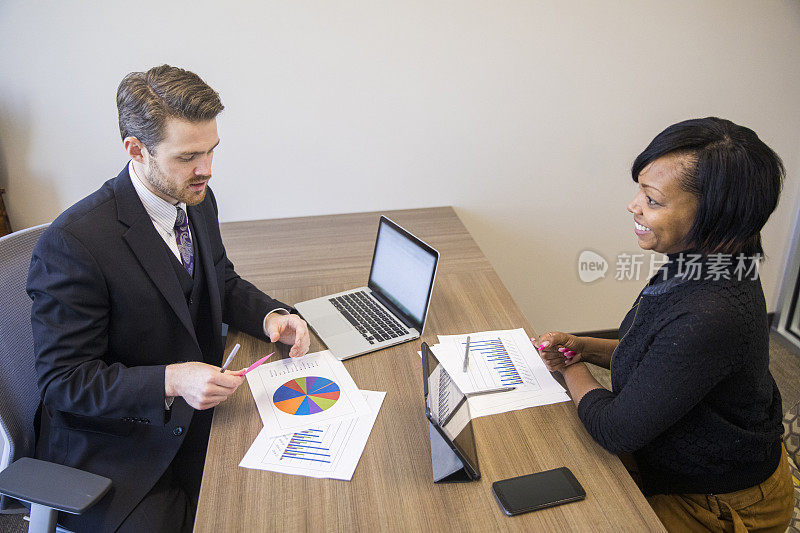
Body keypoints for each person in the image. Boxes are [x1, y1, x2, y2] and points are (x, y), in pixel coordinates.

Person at [27, 64, 311, 532]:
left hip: (199, 418)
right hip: (121, 450)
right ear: (135, 151)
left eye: (212, 151)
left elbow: (218, 278)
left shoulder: (194, 196)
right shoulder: (74, 243)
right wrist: (172, 380)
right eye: (188, 156)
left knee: (281, 498)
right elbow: (64, 381)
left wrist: (270, 316)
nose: (207, 170)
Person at [535, 117, 793, 532]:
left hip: (718, 502)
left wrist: (568, 366)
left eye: (652, 200)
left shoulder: (710, 312)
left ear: (716, 216)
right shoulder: (705, 262)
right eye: (640, 188)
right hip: (686, 465)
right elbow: (658, 357)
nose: (633, 205)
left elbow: (615, 430)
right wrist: (584, 347)